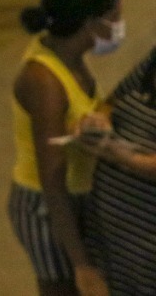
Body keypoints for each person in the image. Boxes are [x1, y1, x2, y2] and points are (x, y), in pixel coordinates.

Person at [10, 0, 122, 296]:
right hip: (47, 207)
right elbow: (52, 179)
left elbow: (89, 106)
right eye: (115, 18)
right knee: (63, 289)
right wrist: (81, 263)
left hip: (73, 196)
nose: (118, 27)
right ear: (91, 23)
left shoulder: (69, 57)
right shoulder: (44, 82)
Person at [78, 45, 156, 295]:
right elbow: (114, 99)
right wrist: (99, 119)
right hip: (115, 238)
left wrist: (122, 156)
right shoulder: (152, 57)